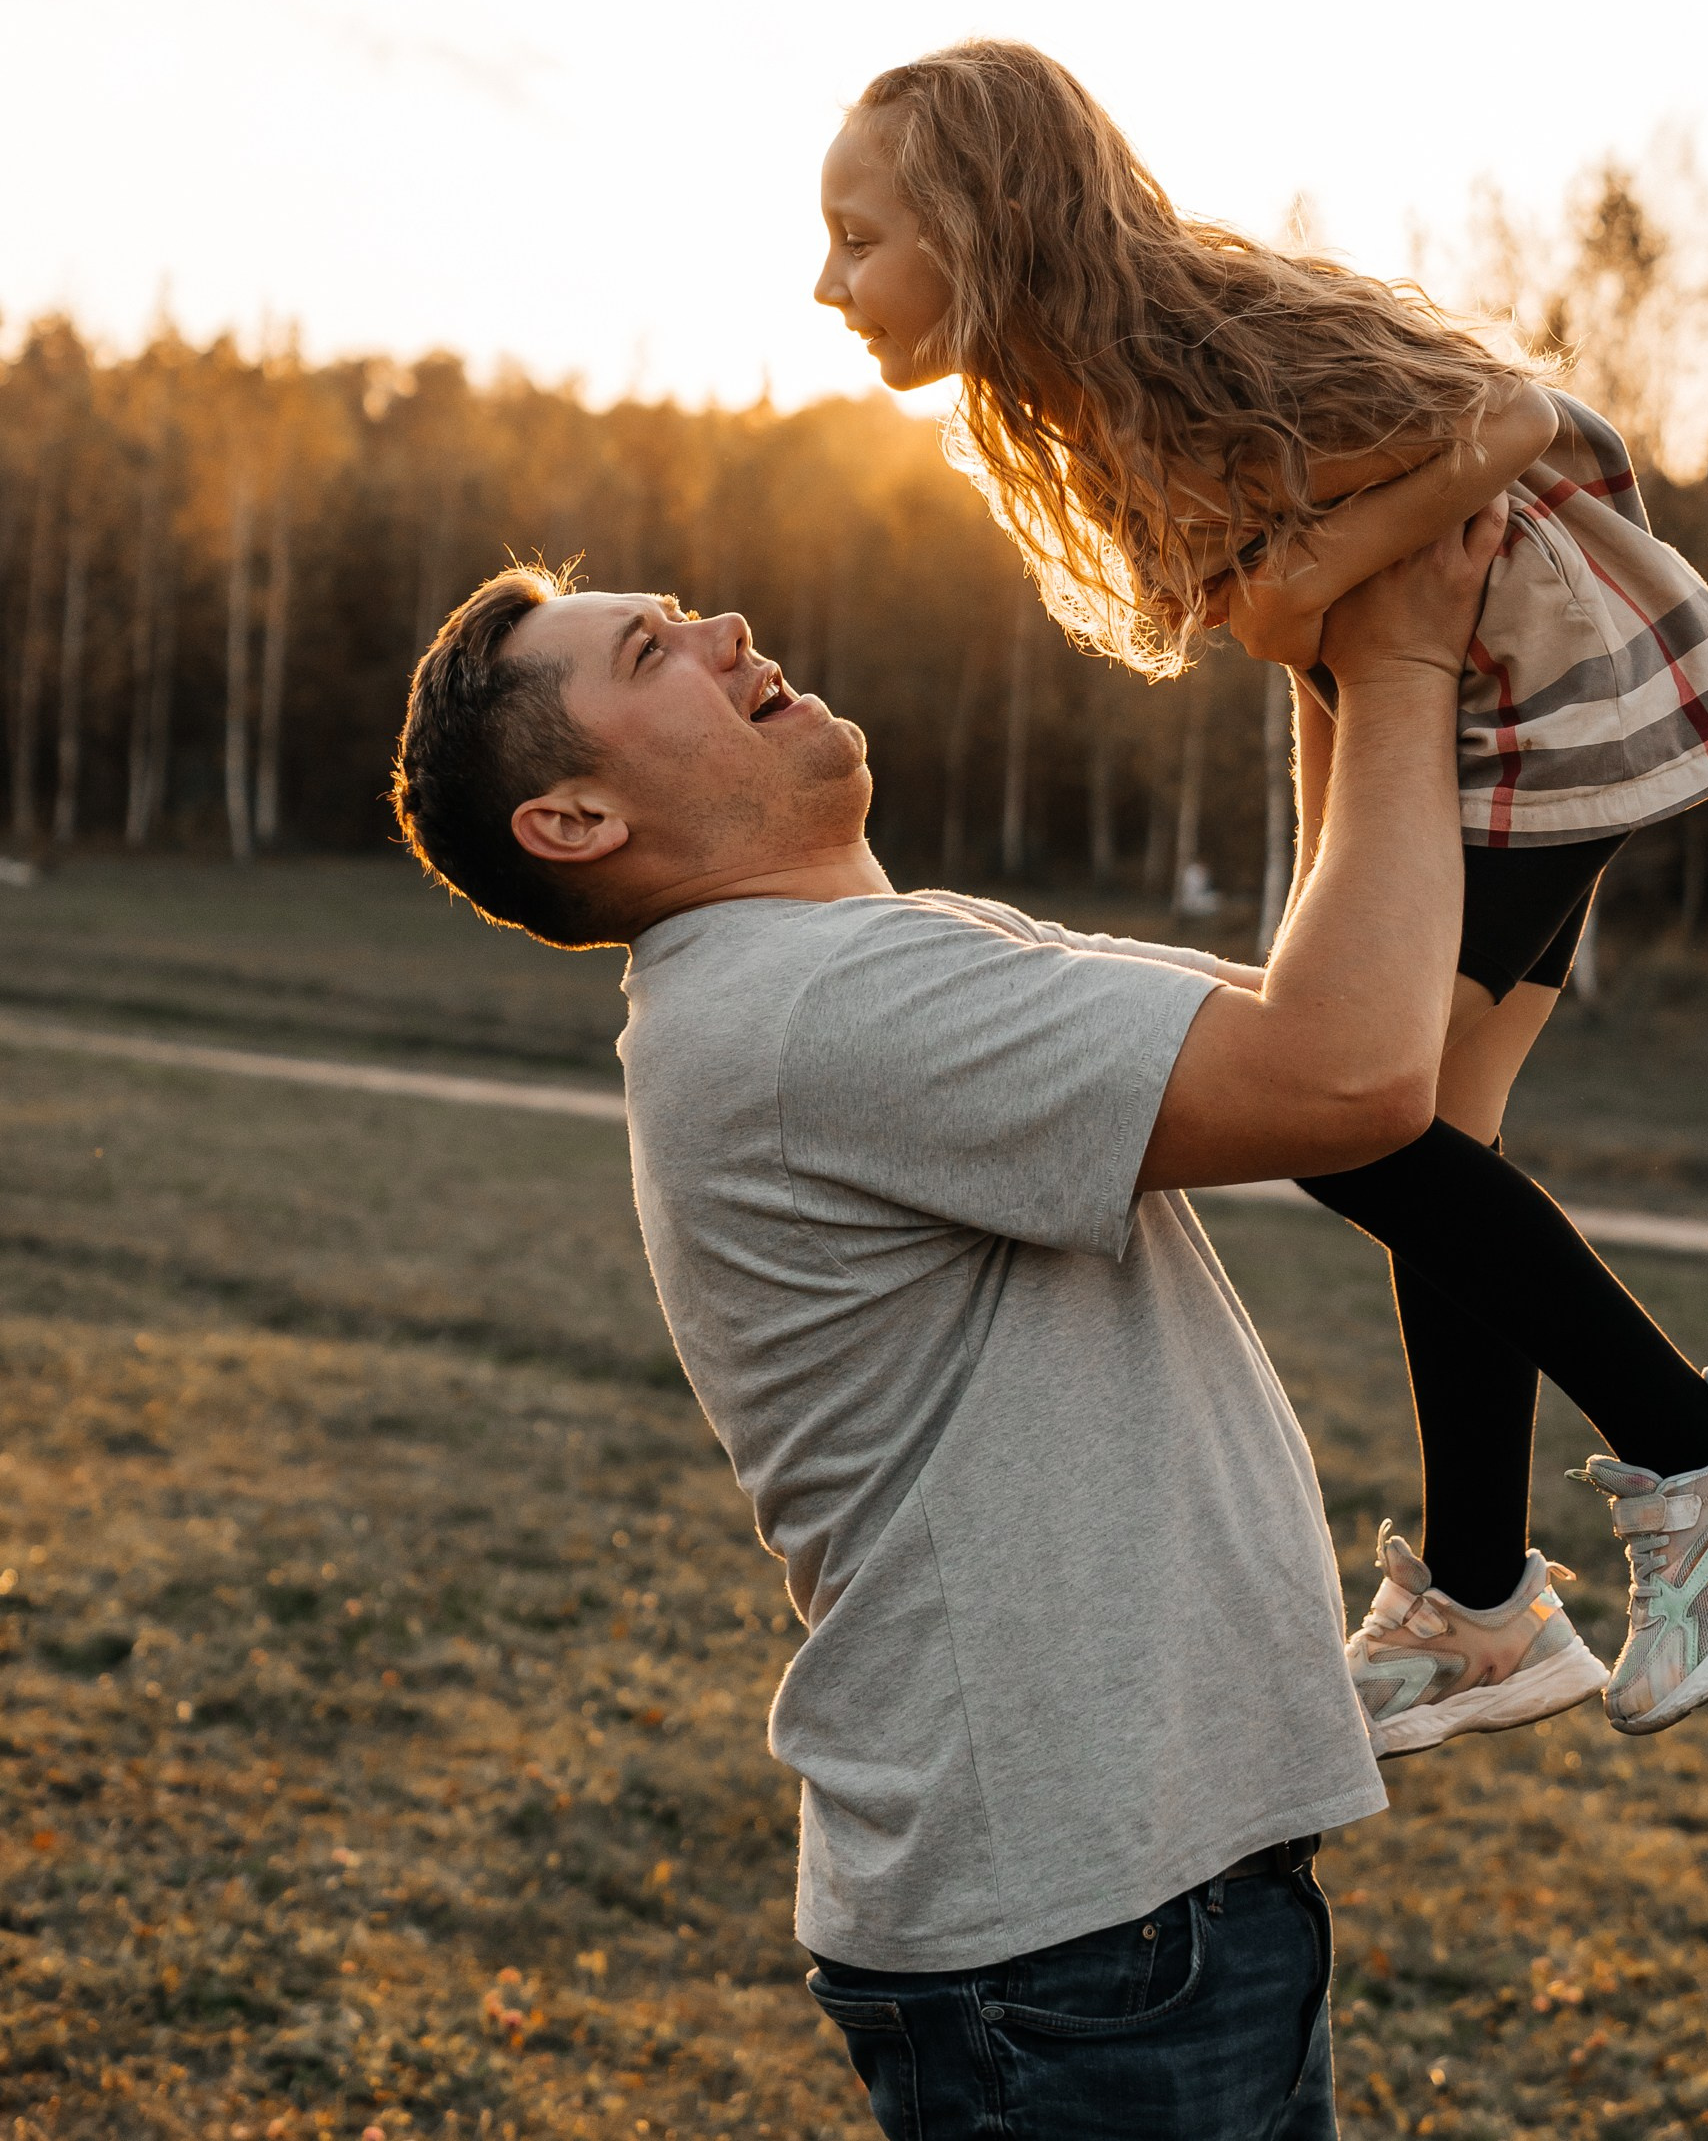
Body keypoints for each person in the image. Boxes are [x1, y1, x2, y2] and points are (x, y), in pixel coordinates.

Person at [390, 515, 1511, 2137]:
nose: (727, 630)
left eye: (690, 610)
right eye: (654, 653)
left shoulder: (856, 969)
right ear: (575, 817)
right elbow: (1346, 1075)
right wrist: (1394, 658)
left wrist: (1328, 661)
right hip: (1081, 1947)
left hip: (1127, 1908)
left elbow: (1343, 1025)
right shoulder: (817, 1011)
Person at [813, 36, 1708, 1756]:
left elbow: (1513, 419)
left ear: (984, 225)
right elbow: (1285, 628)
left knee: (1346, 1116)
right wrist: (1317, 696)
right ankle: (1477, 1605)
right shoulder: (1086, 381)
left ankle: (1704, 1448)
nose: (829, 283)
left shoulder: (1178, 328)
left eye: (862, 241)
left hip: (1531, 704)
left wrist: (1316, 582)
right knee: (1428, 1133)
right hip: (1454, 726)